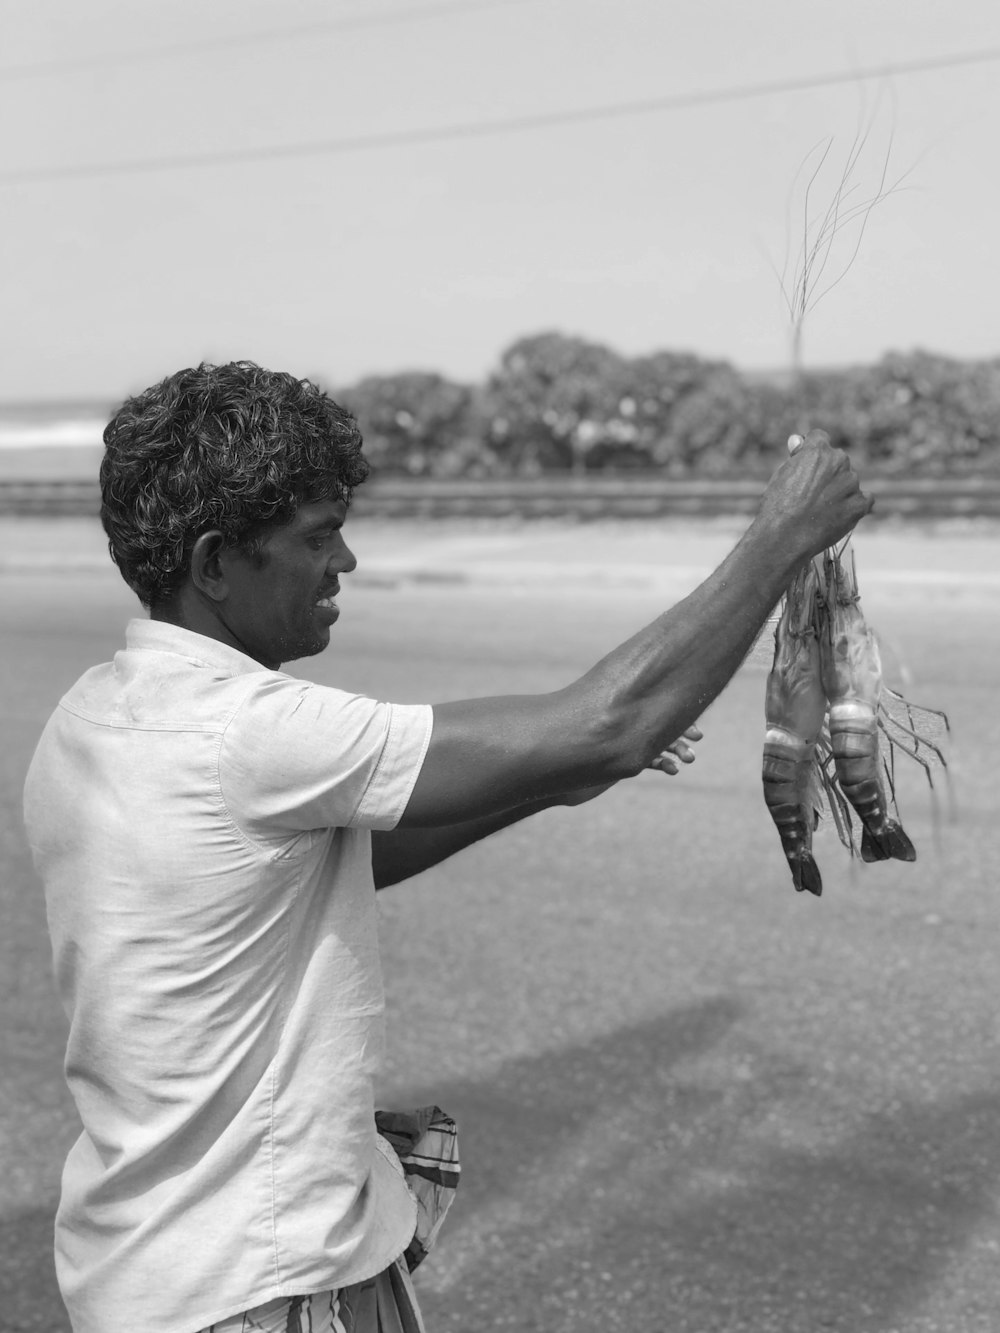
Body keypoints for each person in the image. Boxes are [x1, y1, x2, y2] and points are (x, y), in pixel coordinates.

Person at [23, 360, 871, 1333]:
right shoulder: (247, 731)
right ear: (215, 563)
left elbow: (320, 868)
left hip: (154, 1267)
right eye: (315, 536)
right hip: (256, 1287)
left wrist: (545, 781)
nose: (343, 561)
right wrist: (780, 540)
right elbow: (614, 718)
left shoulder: (97, 716)